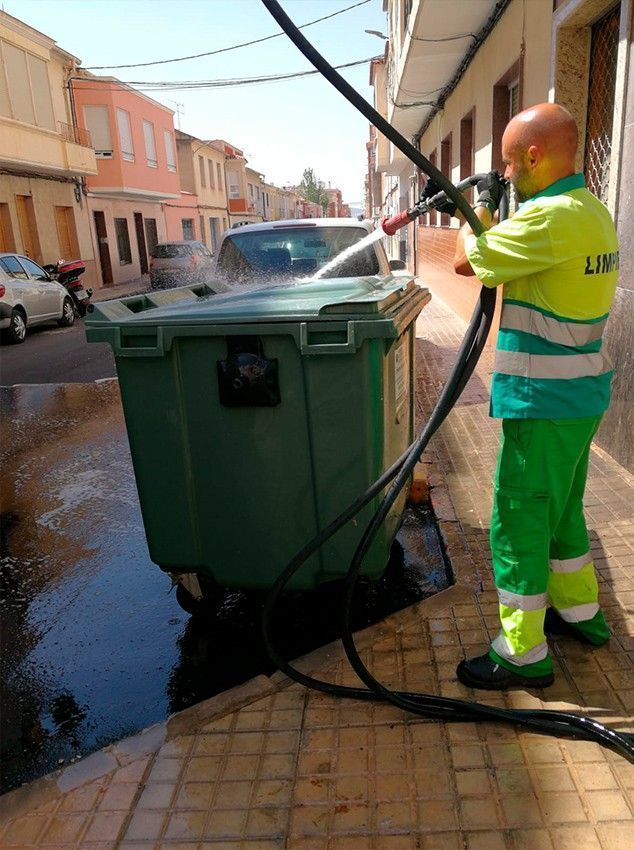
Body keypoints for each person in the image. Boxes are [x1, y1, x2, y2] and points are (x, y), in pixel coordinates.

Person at [436, 103, 619, 689]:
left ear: (535, 157)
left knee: (518, 519)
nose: (508, 174)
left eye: (511, 164)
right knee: (562, 512)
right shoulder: (592, 212)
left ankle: (521, 651)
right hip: (581, 398)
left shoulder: (547, 219)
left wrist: (478, 208)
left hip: (543, 401)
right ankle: (580, 613)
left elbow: (465, 259)